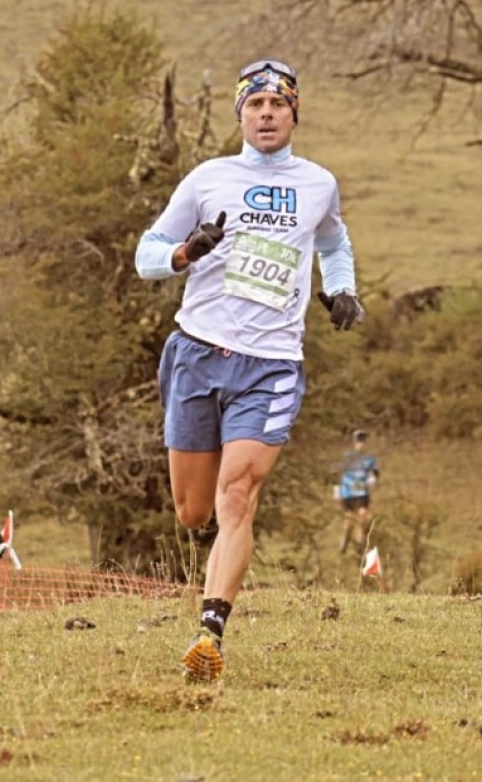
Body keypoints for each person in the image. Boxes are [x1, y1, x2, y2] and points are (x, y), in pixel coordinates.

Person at [135, 58, 364, 682]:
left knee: (238, 493)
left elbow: (334, 244)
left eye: (278, 105)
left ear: (295, 114)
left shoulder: (318, 183)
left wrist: (342, 289)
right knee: (192, 511)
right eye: (256, 105)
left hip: (272, 363)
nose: (267, 115)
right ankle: (207, 580)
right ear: (240, 114)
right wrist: (185, 252)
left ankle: (210, 632)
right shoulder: (208, 179)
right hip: (198, 350)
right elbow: (146, 254)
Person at [334, 429, 380, 555]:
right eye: (359, 440)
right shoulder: (346, 457)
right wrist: (337, 489)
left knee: (362, 517)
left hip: (362, 492)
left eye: (363, 440)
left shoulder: (370, 459)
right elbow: (337, 473)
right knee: (349, 520)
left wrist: (372, 479)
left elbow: (374, 472)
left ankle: (360, 546)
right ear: (354, 442)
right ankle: (344, 541)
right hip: (347, 492)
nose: (361, 443)